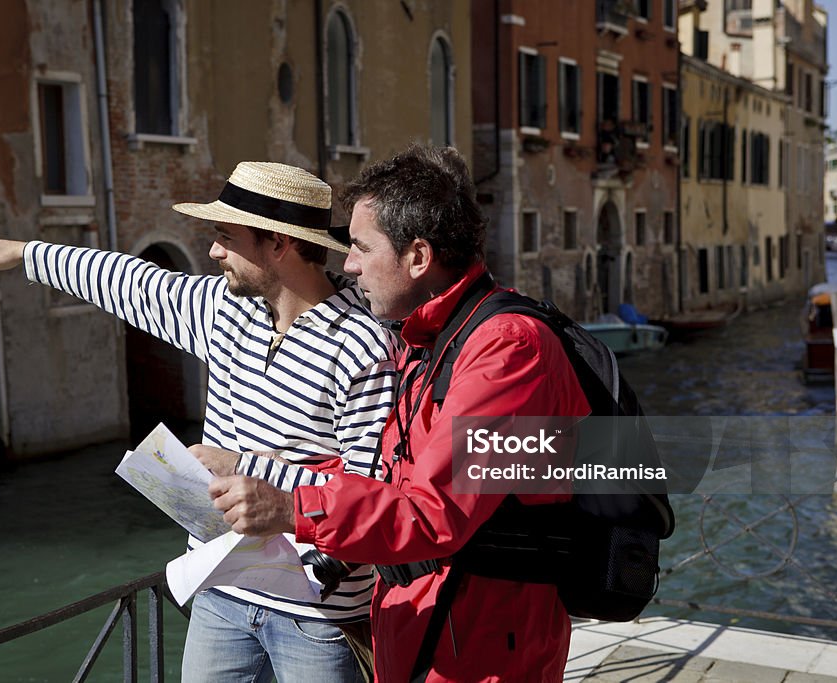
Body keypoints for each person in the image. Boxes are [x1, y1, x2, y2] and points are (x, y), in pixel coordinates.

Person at [0, 161, 398, 683]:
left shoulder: (365, 345)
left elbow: (371, 493)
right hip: (218, 595)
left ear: (278, 245)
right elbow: (130, 283)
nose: (213, 251)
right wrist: (24, 255)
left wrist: (244, 466)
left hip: (318, 614)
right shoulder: (227, 310)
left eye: (226, 238)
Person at [208, 145, 591, 682]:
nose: (348, 264)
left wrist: (294, 508)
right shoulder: (427, 339)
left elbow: (435, 513)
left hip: (481, 650)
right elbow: (389, 475)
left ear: (417, 256)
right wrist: (262, 471)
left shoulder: (507, 350)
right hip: (427, 628)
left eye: (362, 247)